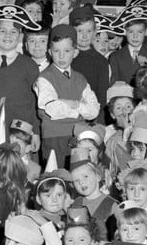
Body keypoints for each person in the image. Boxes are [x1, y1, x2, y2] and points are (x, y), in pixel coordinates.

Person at [34, 24, 100, 167]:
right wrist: (80, 111)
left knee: (78, 175)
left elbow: (94, 111)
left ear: (75, 52)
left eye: (67, 50)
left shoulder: (80, 78)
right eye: (57, 51)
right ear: (50, 52)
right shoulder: (44, 78)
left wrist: (73, 104)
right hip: (54, 138)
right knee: (56, 177)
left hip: (79, 137)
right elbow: (53, 109)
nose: (62, 56)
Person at [70, 6, 111, 124]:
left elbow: (102, 97)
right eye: (79, 31)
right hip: (68, 115)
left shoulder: (100, 61)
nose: (84, 36)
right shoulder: (65, 57)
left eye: (89, 31)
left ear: (95, 32)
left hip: (93, 118)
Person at [109, 5, 147, 84]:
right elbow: (114, 83)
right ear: (125, 32)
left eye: (140, 32)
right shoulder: (115, 56)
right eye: (131, 32)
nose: (135, 36)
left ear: (146, 32)